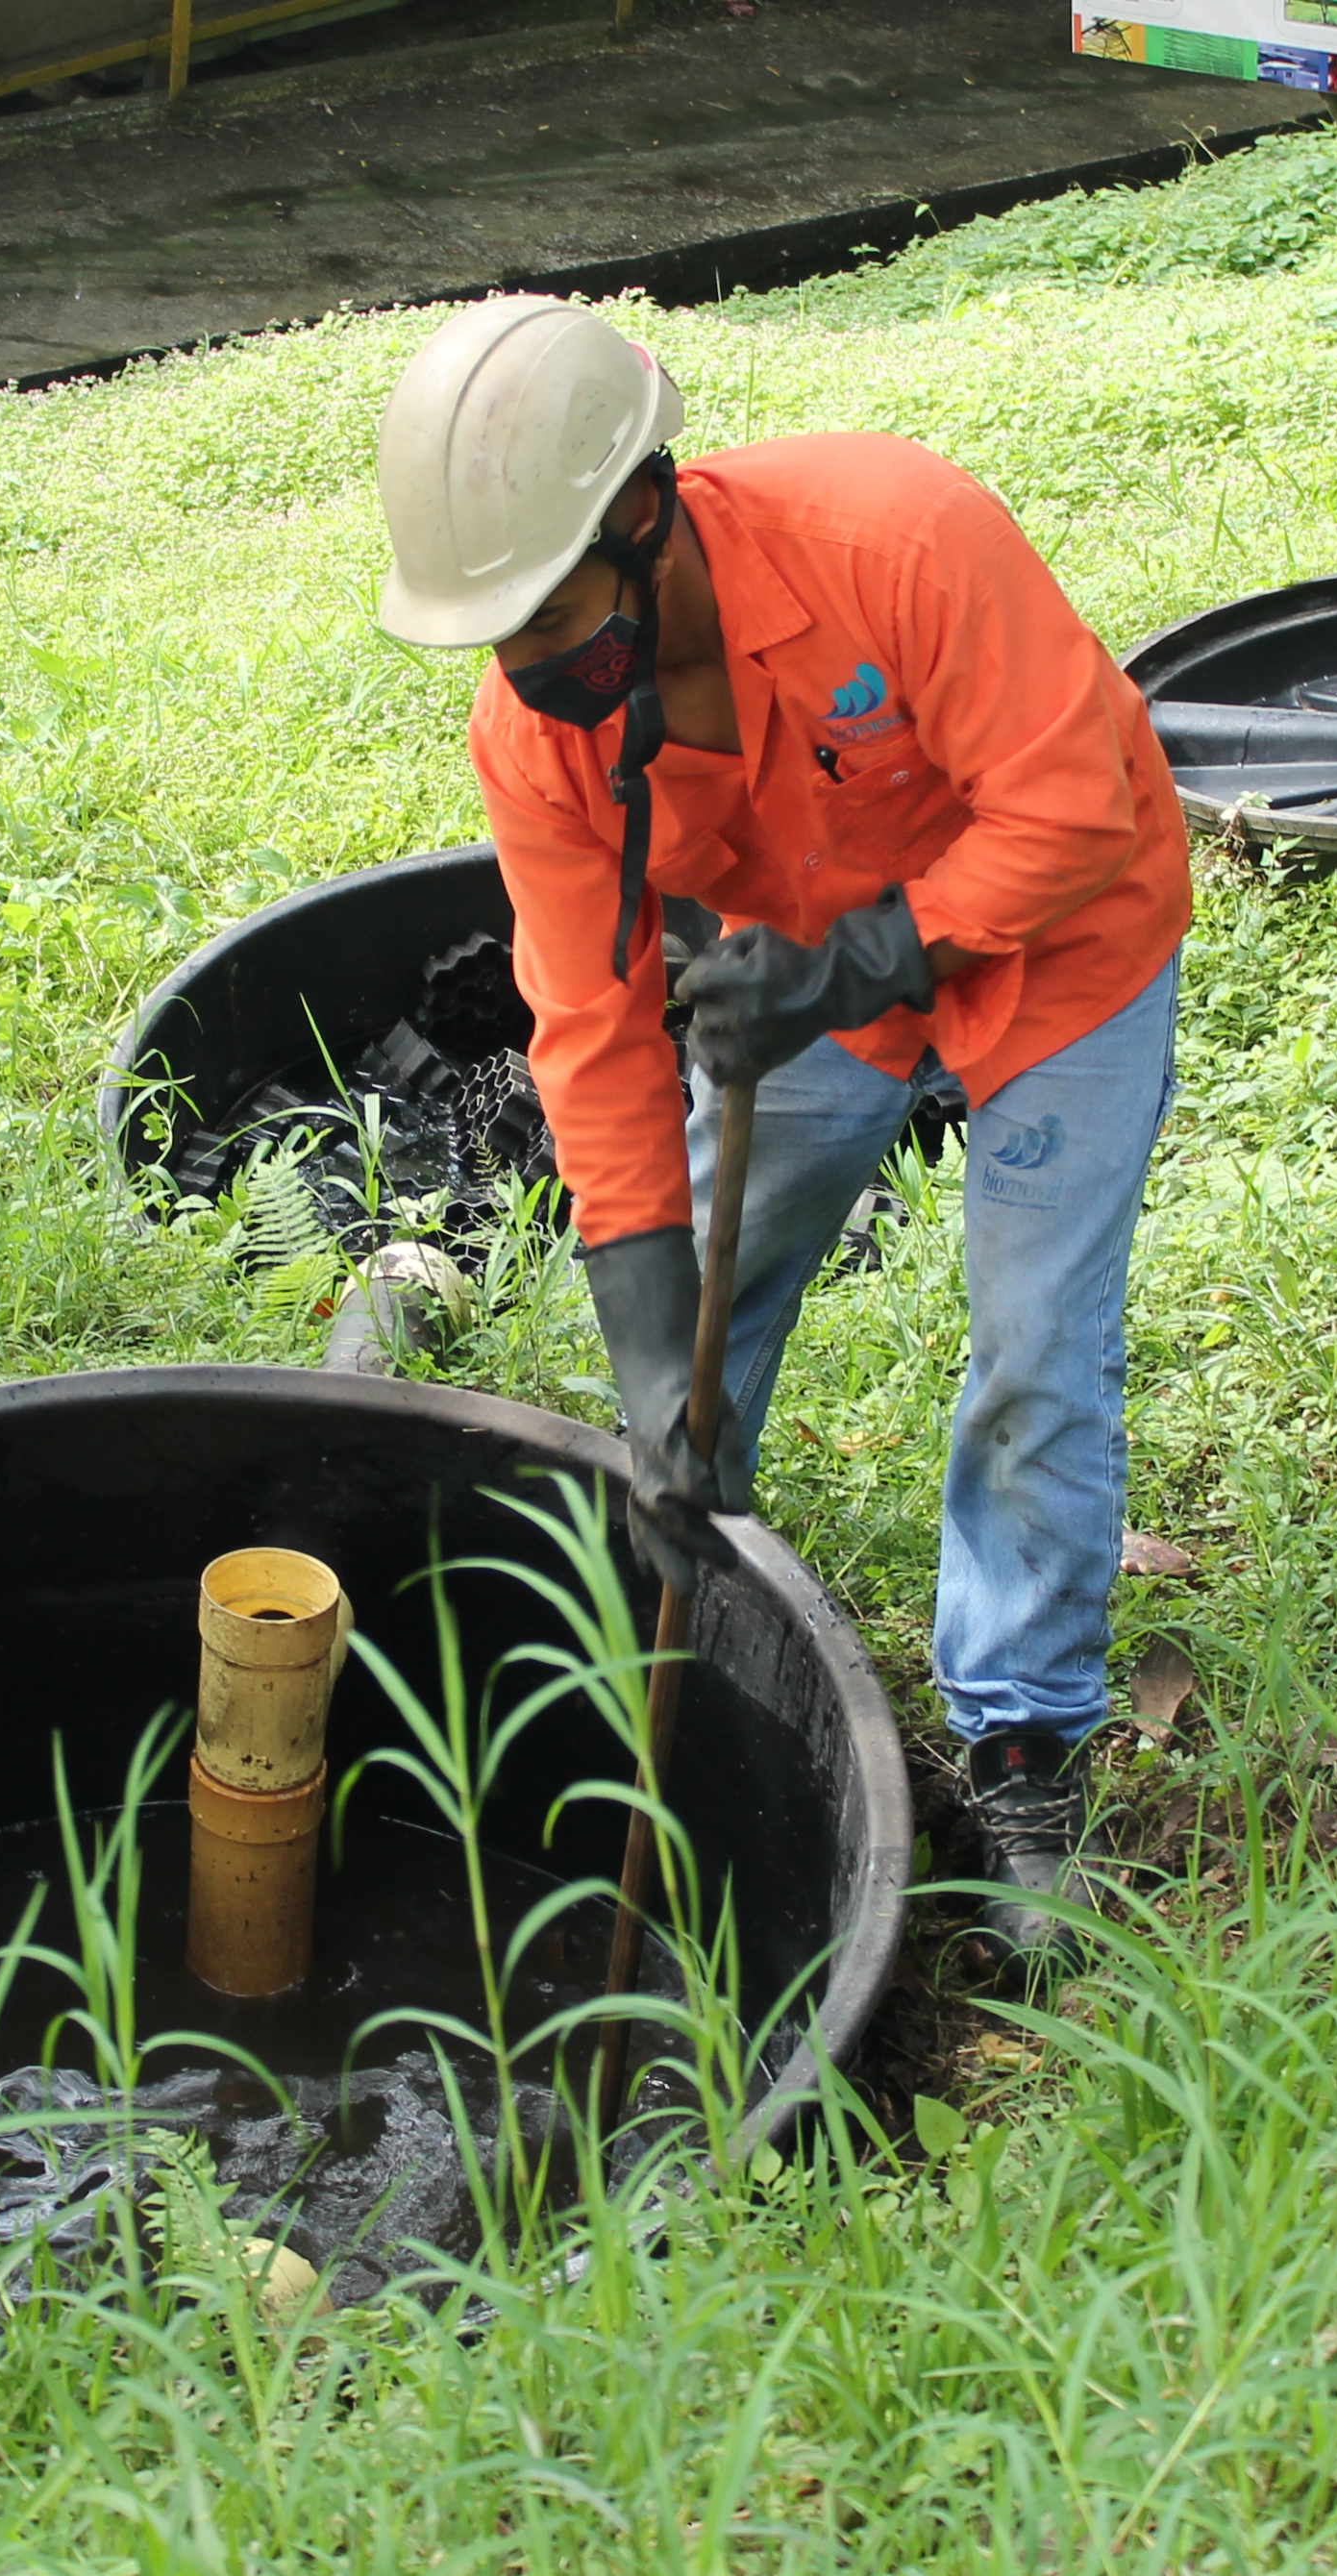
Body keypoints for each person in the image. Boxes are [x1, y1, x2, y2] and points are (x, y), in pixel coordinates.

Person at [370, 295, 1191, 1969]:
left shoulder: (893, 538)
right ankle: (667, 1618)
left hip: (1064, 950)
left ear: (642, 510)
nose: (532, 671)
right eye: (498, 641)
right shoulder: (538, 738)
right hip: (818, 982)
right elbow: (590, 1030)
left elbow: (1073, 806)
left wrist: (862, 957)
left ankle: (1021, 1744)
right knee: (696, 1304)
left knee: (1037, 1347)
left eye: (550, 619)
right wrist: (646, 1366)